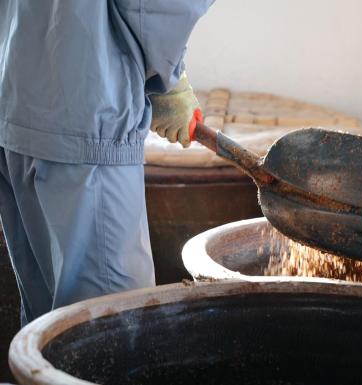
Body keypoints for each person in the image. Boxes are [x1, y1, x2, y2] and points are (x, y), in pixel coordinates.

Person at [0, 0, 213, 325]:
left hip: (15, 98)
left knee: (48, 335)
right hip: (88, 119)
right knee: (111, 337)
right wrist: (167, 75)